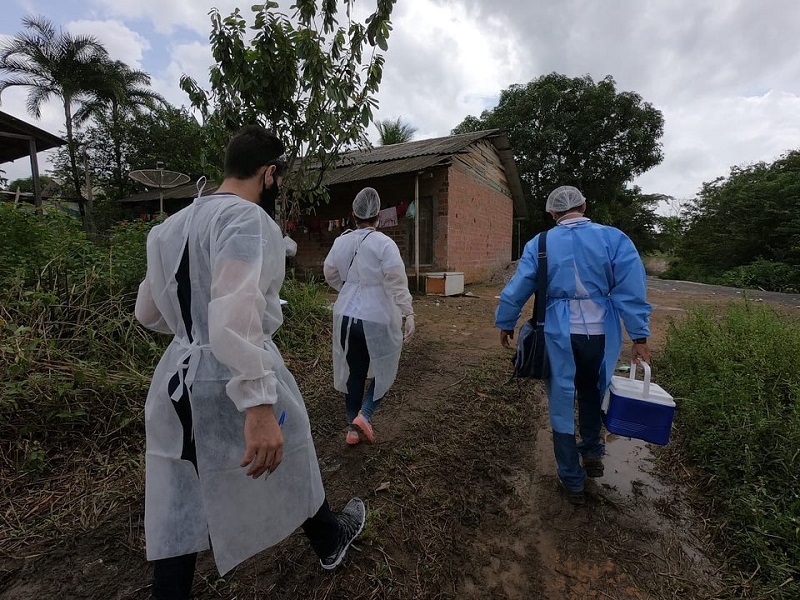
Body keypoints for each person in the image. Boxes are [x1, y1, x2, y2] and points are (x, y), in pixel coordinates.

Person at [135, 125, 365, 600]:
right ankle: (329, 540)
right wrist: (258, 404)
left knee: (182, 486)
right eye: (278, 179)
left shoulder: (169, 228)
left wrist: (193, 330)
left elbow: (149, 313)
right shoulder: (246, 219)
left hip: (178, 375)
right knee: (290, 449)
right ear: (269, 173)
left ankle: (325, 537)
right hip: (232, 373)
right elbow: (235, 317)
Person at [495, 185, 652, 506]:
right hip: (602, 333)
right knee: (593, 389)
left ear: (552, 213)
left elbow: (519, 285)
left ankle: (571, 479)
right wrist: (640, 337)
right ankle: (592, 452)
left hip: (558, 332)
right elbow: (632, 289)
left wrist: (506, 320)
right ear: (584, 205)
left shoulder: (540, 243)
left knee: (562, 399)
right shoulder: (614, 239)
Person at [323, 187, 415, 446]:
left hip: (345, 315)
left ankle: (352, 430)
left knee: (355, 372)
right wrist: (408, 312)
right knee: (386, 366)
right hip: (377, 315)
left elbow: (330, 273)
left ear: (353, 215)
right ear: (378, 216)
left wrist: (348, 289)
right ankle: (365, 415)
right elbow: (396, 280)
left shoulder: (341, 241)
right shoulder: (384, 244)